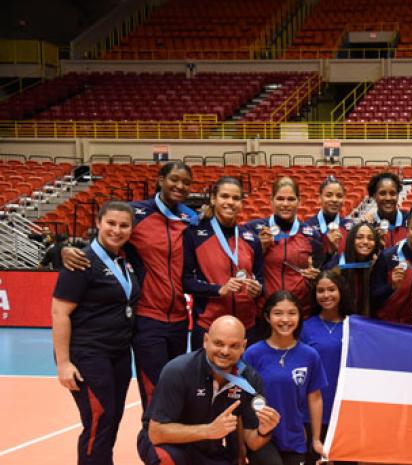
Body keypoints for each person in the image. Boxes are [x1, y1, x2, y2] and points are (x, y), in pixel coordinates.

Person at [62, 161, 197, 417]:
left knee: (177, 390)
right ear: (160, 180)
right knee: (154, 393)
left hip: (180, 320)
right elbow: (106, 240)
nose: (180, 186)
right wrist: (64, 250)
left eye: (186, 183)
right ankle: (153, 450)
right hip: (148, 319)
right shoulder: (137, 214)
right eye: (174, 179)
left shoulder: (189, 218)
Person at [52, 201, 140, 465]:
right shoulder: (81, 261)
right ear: (99, 223)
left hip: (118, 354)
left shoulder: (125, 260)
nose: (117, 230)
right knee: (99, 420)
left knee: (112, 419)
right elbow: (59, 313)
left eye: (124, 225)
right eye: (111, 223)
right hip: (88, 354)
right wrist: (64, 362)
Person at [137, 316, 280, 465]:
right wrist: (209, 430)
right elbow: (156, 433)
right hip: (169, 444)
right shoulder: (178, 371)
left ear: (243, 346)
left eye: (234, 345)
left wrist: (264, 430)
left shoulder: (250, 380)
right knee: (167, 458)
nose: (225, 351)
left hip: (208, 447)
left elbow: (253, 442)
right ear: (206, 340)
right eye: (219, 343)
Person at [243, 291, 328, 465]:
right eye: (278, 313)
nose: (285, 319)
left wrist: (316, 439)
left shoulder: (310, 355)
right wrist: (241, 446)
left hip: (294, 438)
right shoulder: (253, 354)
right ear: (267, 317)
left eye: (292, 313)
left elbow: (315, 398)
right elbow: (241, 399)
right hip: (261, 437)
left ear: (299, 317)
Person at [183, 177, 265, 348]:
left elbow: (261, 278)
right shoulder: (194, 235)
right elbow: (186, 281)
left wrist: (258, 289)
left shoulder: (251, 239)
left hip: (246, 326)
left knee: (245, 375)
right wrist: (218, 289)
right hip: (209, 325)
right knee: (209, 375)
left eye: (236, 198)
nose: (230, 202)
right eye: (225, 196)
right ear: (213, 199)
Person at [246, 177, 324, 316]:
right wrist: (260, 249)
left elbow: (320, 272)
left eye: (291, 199)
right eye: (280, 199)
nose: (285, 204)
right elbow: (242, 268)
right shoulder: (252, 230)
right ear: (271, 201)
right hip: (265, 312)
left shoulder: (312, 234)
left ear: (299, 201)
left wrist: (315, 278)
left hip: (300, 313)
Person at [301, 269, 351, 465]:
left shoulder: (354, 325)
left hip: (345, 409)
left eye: (331, 289)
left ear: (341, 291)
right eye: (321, 291)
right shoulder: (305, 327)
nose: (326, 295)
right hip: (314, 409)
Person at [370, 205, 412, 324]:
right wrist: (392, 287)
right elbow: (372, 298)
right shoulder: (387, 257)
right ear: (407, 231)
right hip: (386, 326)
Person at [324, 221, 382, 318]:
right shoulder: (336, 266)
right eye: (359, 237)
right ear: (351, 240)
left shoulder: (376, 264)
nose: (365, 242)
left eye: (371, 238)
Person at [307, 176, 353, 259]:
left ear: (344, 199)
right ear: (319, 198)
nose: (334, 199)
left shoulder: (351, 227)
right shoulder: (308, 227)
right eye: (328, 195)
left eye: (339, 196)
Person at [365, 172, 407, 248]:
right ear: (374, 196)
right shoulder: (367, 226)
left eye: (393, 193)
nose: (388, 198)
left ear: (398, 195)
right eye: (382, 193)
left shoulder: (410, 221)